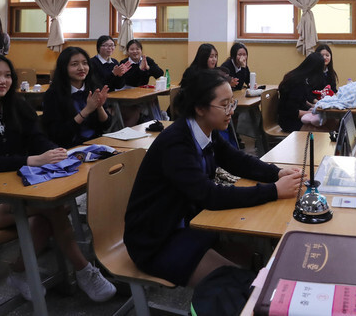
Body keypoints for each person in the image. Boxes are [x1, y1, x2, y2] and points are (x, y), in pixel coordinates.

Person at [0, 54, 116, 302]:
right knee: (54, 210)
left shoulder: (17, 107)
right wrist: (29, 160)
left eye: (7, 75)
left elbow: (37, 139)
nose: (2, 81)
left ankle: (19, 272)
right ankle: (84, 270)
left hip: (20, 185)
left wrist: (55, 153)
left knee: (49, 215)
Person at [124, 69, 302, 287]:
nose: (231, 111)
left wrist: (276, 173)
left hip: (189, 224)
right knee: (242, 285)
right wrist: (273, 191)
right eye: (225, 104)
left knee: (256, 256)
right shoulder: (177, 144)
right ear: (199, 108)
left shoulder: (206, 130)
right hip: (156, 240)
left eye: (232, 104)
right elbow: (209, 195)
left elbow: (236, 159)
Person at [42, 46, 111, 149]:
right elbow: (58, 135)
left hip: (94, 144)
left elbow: (106, 126)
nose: (81, 68)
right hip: (68, 148)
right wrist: (86, 110)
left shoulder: (93, 88)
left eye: (85, 63)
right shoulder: (53, 94)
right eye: (74, 64)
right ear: (63, 67)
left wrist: (99, 107)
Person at [277, 52, 325, 132]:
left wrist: (314, 106)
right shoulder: (297, 82)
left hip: (295, 117)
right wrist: (312, 112)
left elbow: (302, 100)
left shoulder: (300, 77)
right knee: (324, 131)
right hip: (289, 122)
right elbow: (292, 112)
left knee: (329, 123)